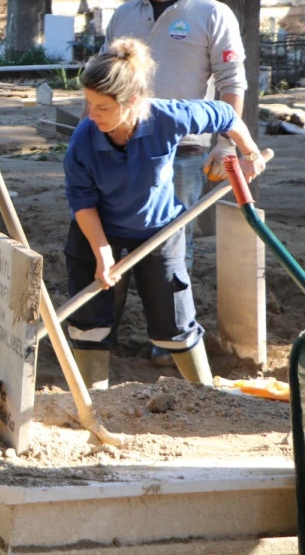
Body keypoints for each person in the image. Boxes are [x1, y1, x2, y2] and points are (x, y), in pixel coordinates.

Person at [63, 38, 266, 390]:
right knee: (89, 319)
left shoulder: (168, 117)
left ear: (132, 102)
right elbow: (82, 201)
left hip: (158, 229)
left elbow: (227, 114)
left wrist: (249, 152)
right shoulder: (84, 139)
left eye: (102, 107)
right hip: (97, 227)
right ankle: (94, 403)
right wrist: (102, 252)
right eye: (89, 104)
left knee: (174, 317)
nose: (91, 114)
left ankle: (204, 397)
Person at [107, 0, 247, 361]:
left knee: (170, 246)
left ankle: (167, 342)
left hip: (181, 154)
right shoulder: (125, 16)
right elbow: (105, 80)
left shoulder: (211, 14)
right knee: (113, 238)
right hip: (122, 150)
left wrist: (227, 142)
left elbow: (231, 81)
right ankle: (100, 333)